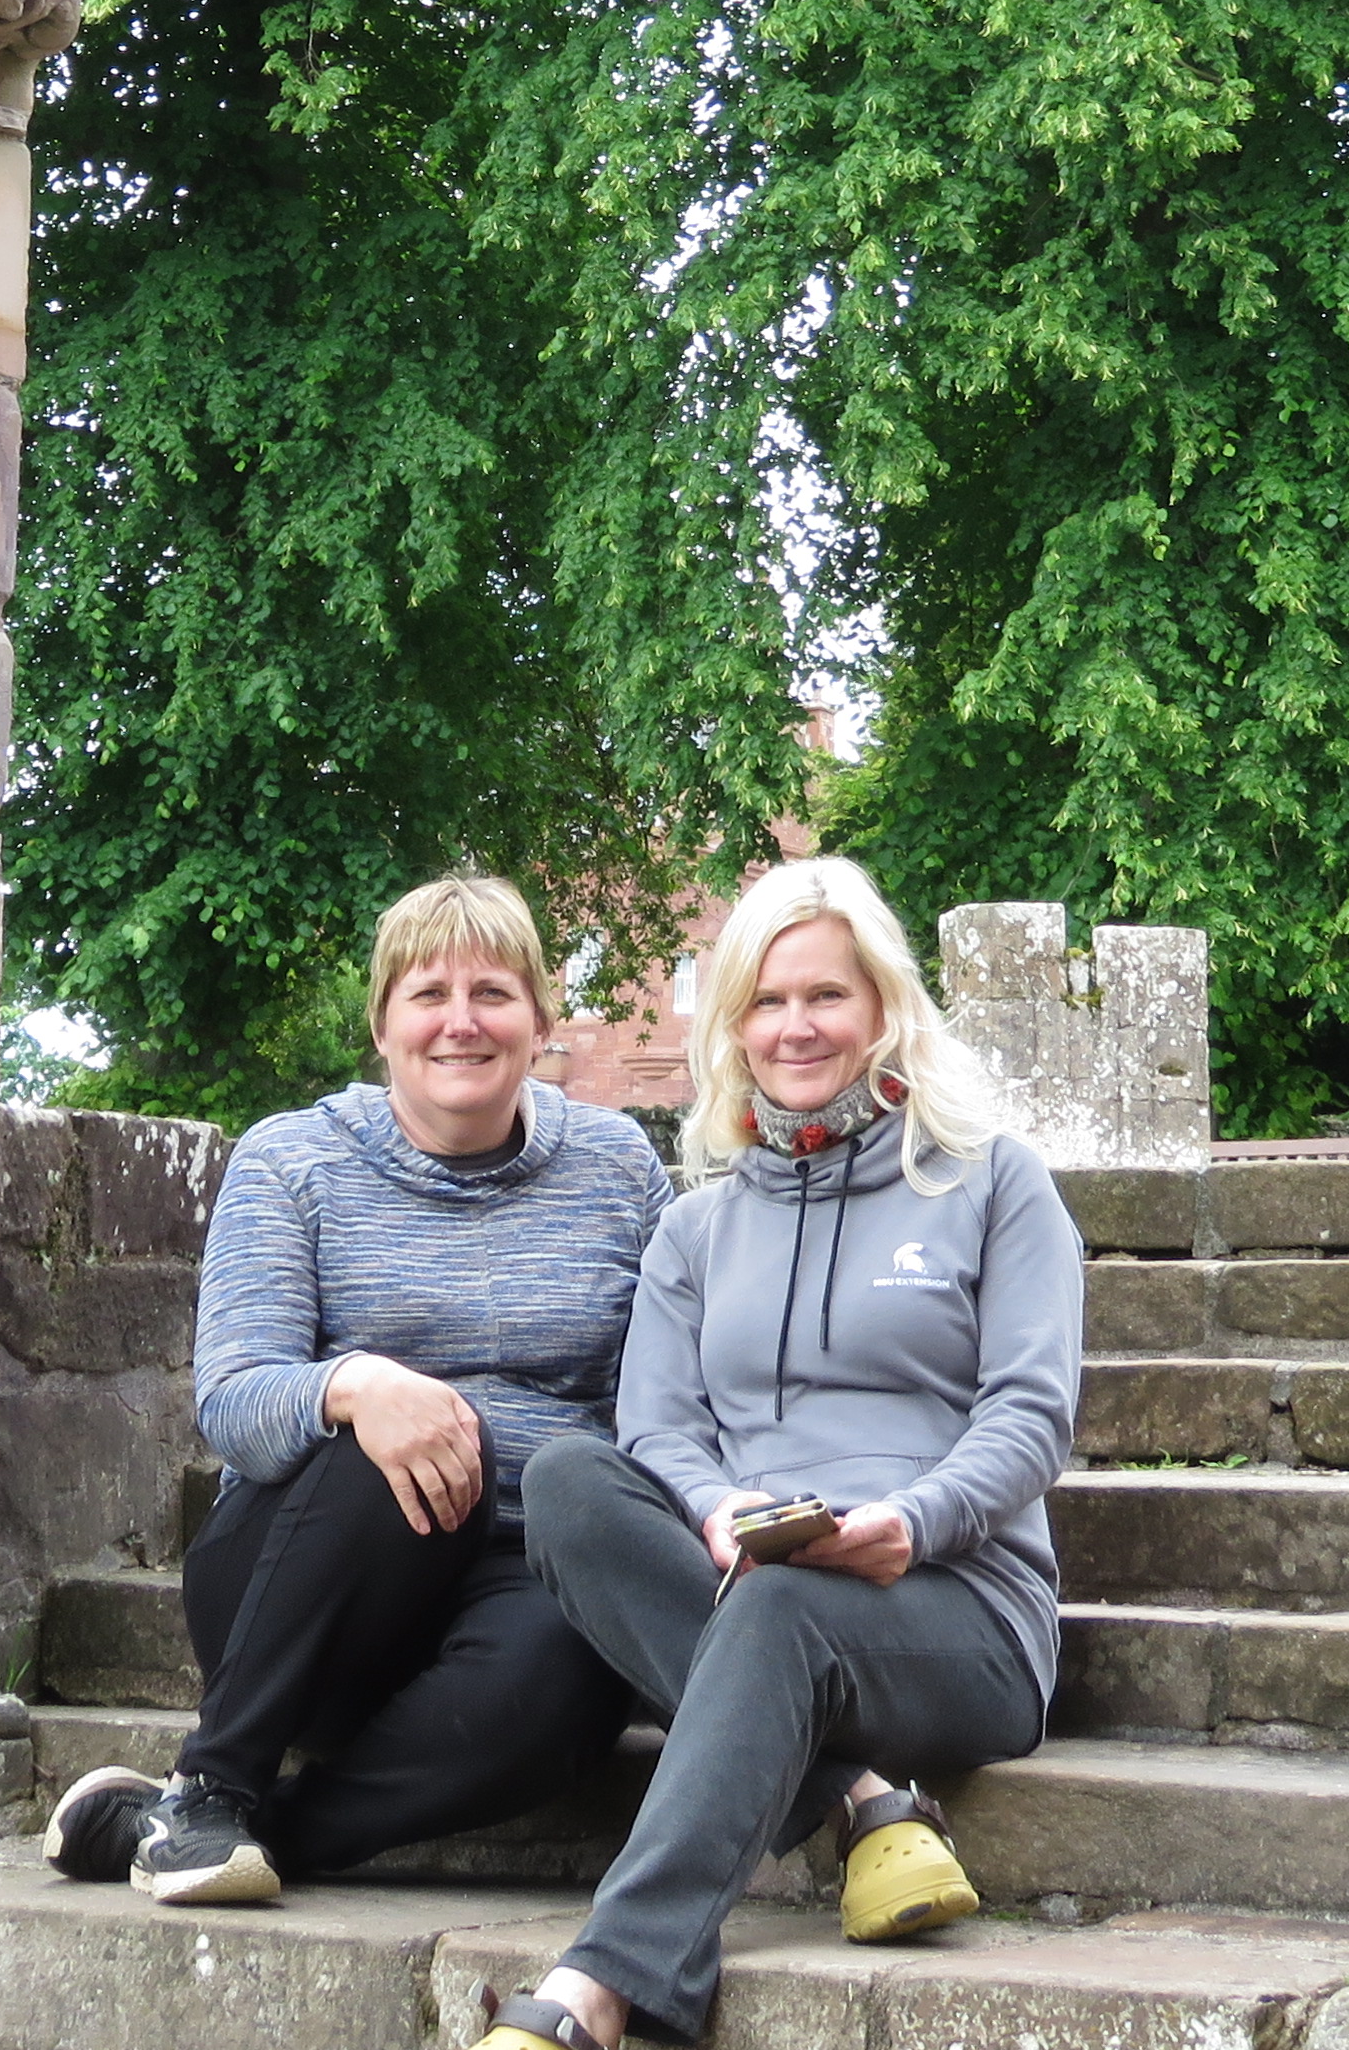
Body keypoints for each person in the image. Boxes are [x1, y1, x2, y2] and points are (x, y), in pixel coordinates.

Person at [468, 856, 1083, 2050]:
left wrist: (915, 1519)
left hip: (958, 1606)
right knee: (566, 1483)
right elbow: (654, 1426)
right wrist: (712, 1508)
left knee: (778, 1611)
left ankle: (604, 1982)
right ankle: (861, 1798)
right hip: (763, 1574)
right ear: (731, 1026)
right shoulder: (698, 1224)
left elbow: (1031, 1413)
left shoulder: (994, 1181)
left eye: (825, 996)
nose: (794, 1026)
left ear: (884, 1008)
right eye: (764, 1000)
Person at [42, 871, 675, 1907]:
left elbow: (651, 1401)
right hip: (313, 1591)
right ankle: (214, 1782)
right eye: (428, 995)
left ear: (539, 1022)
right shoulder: (292, 1161)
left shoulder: (617, 1166)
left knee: (571, 1687)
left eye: (493, 994)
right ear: (382, 1026)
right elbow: (236, 1405)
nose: (460, 1023)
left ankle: (201, 1832)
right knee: (400, 1435)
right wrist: (355, 1386)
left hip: (527, 1569)